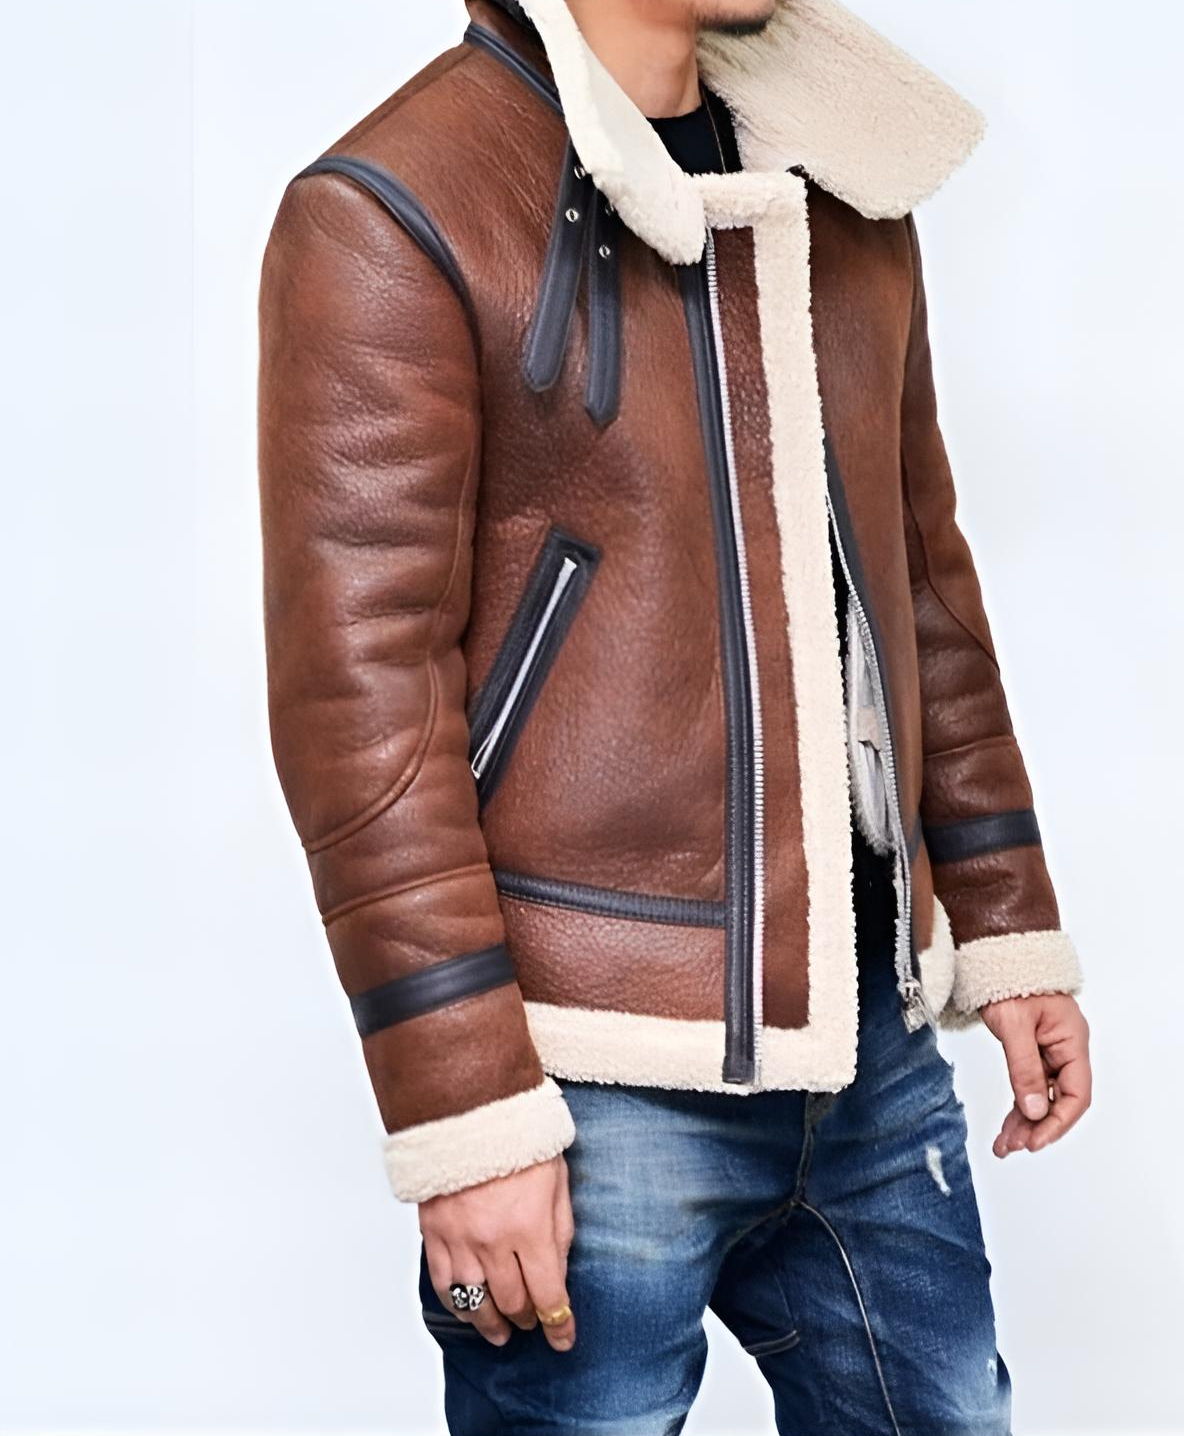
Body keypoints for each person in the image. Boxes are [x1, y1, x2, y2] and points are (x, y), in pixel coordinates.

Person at [258, 0, 1093, 1429]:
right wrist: (464, 1114)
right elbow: (361, 706)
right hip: (588, 1067)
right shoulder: (398, 205)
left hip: (867, 1039)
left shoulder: (839, 178)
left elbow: (918, 578)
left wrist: (1006, 922)